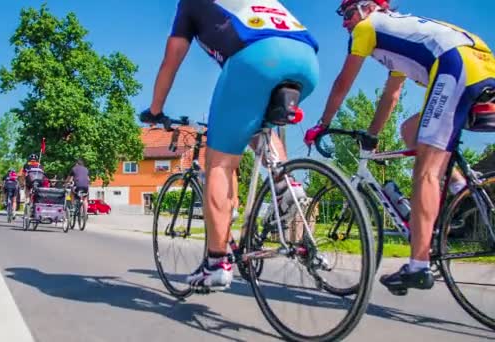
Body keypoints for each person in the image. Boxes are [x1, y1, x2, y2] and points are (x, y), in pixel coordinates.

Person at [303, 0, 495, 294]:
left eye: (348, 13)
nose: (344, 22)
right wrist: (372, 135)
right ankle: (460, 190)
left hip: (454, 64)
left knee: (426, 172)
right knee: (410, 131)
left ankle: (418, 266)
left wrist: (323, 123)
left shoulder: (368, 29)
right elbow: (391, 96)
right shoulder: (399, 38)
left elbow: (343, 82)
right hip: (480, 62)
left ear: (369, 8)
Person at [140, 0, 319, 290]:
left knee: (220, 163)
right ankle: (286, 184)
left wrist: (155, 110)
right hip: (306, 62)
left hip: (258, 58)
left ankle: (216, 262)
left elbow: (170, 61)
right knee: (252, 123)